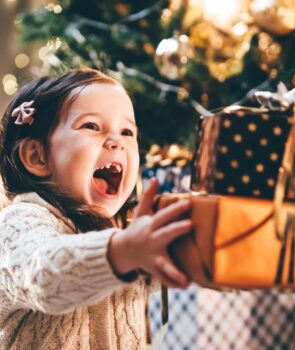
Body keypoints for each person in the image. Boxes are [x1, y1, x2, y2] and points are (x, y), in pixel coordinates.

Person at [0, 69, 192, 349]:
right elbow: (44, 275)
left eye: (127, 131)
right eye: (91, 126)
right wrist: (126, 250)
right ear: (37, 156)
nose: (116, 141)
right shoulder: (20, 222)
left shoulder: (125, 231)